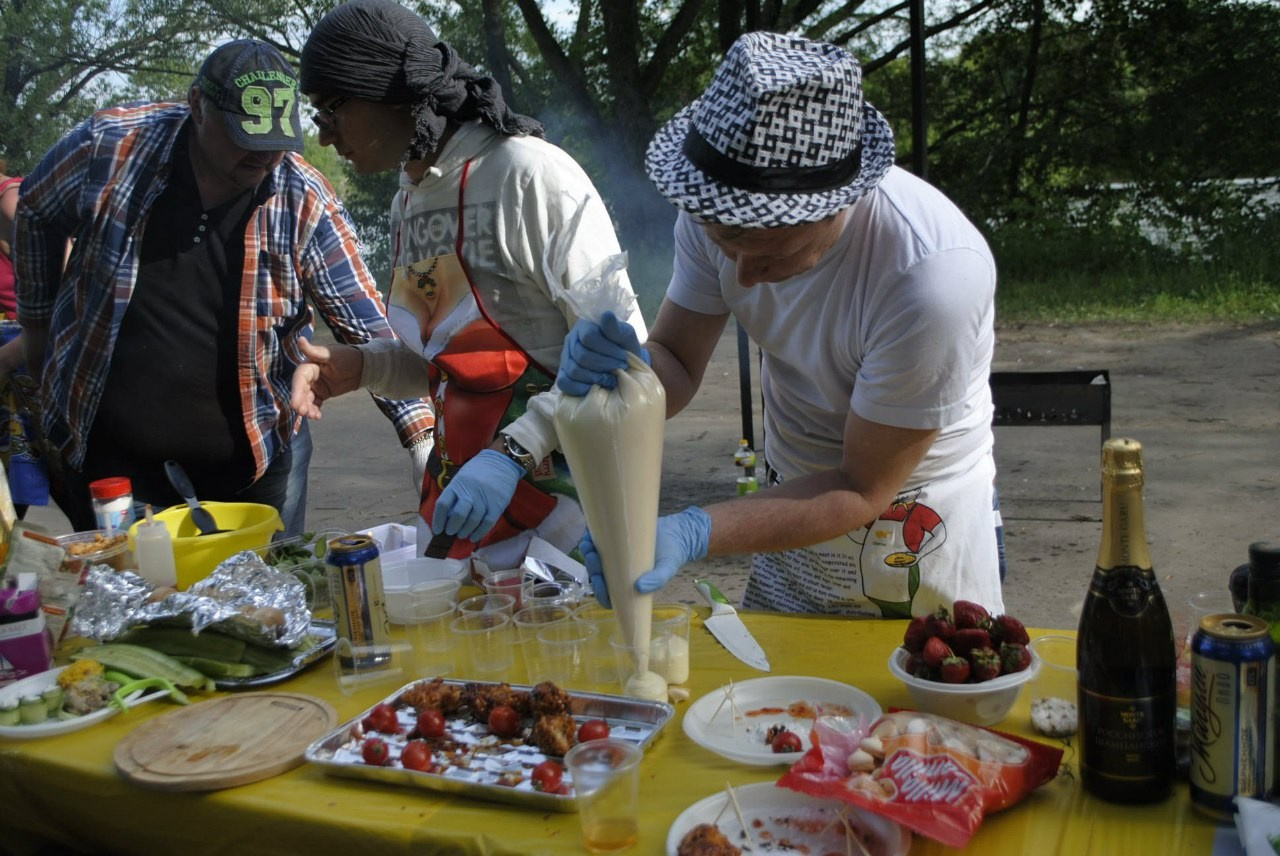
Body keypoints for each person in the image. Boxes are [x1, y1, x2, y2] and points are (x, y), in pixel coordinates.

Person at [559, 32, 1004, 618]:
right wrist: (625, 373)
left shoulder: (930, 278)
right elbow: (678, 360)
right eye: (726, 242)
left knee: (911, 701)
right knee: (777, 705)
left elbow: (861, 487)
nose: (742, 275)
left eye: (768, 251)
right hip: (788, 507)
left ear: (837, 202)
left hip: (913, 524)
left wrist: (695, 530)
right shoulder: (713, 213)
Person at [13, 39, 433, 535]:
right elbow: (36, 207)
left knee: (267, 604)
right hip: (112, 461)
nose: (264, 157)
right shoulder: (109, 148)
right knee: (135, 603)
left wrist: (421, 439)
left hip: (256, 461)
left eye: (277, 142)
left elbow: (366, 321)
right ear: (197, 106)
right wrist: (36, 323)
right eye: (244, 139)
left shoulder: (303, 197)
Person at [292, 0, 646, 569]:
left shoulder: (529, 174)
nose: (324, 135)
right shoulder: (409, 199)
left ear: (391, 90)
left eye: (331, 110)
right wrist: (364, 366)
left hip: (570, 519)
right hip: (463, 512)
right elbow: (451, 364)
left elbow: (623, 356)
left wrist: (513, 453)